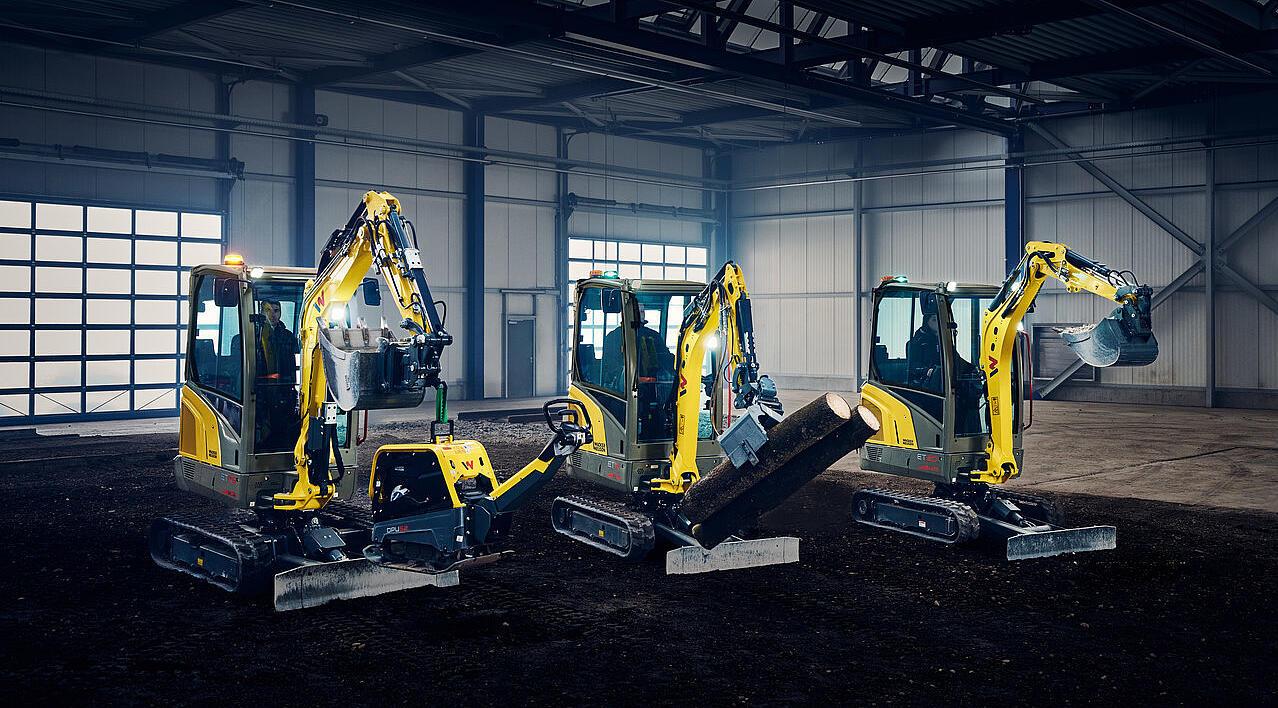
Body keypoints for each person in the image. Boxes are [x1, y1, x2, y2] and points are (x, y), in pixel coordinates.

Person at [253, 299, 299, 449]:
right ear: (261, 312)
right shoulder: (252, 337)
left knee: (282, 427)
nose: (273, 315)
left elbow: (293, 365)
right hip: (259, 389)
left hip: (283, 388)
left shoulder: (288, 337)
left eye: (276, 310)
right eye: (268, 310)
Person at [906, 294, 943, 392]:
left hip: (941, 383)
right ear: (926, 322)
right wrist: (928, 371)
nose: (938, 324)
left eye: (938, 320)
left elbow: (955, 359)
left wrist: (971, 368)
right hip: (924, 386)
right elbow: (913, 366)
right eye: (934, 320)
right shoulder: (917, 343)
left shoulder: (943, 342)